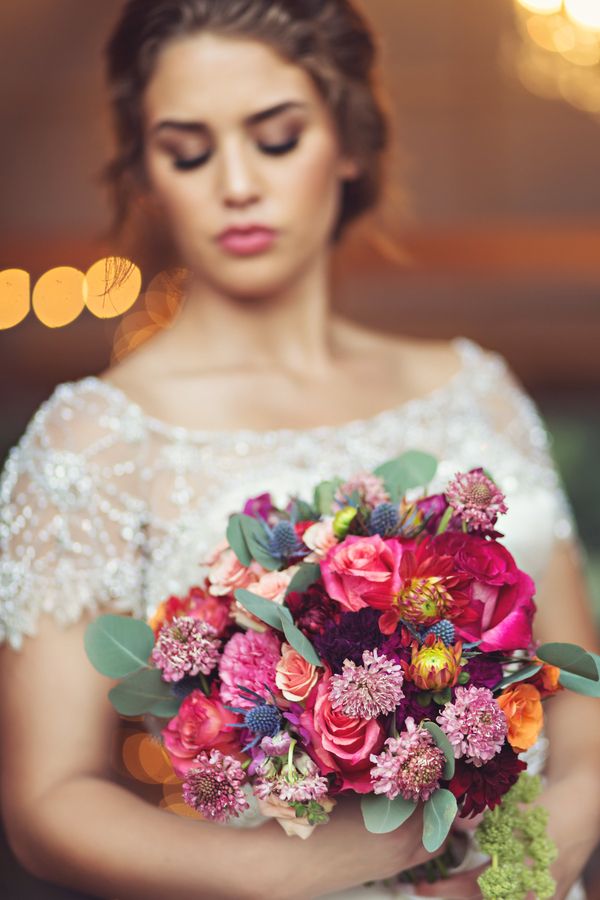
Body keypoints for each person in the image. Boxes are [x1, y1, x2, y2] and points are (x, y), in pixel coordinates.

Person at [1, 1, 599, 898]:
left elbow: (585, 721)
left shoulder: (478, 390)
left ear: (349, 142)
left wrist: (507, 880)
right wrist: (309, 870)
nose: (236, 183)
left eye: (276, 139)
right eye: (189, 150)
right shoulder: (94, 439)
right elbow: (48, 800)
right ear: (147, 174)